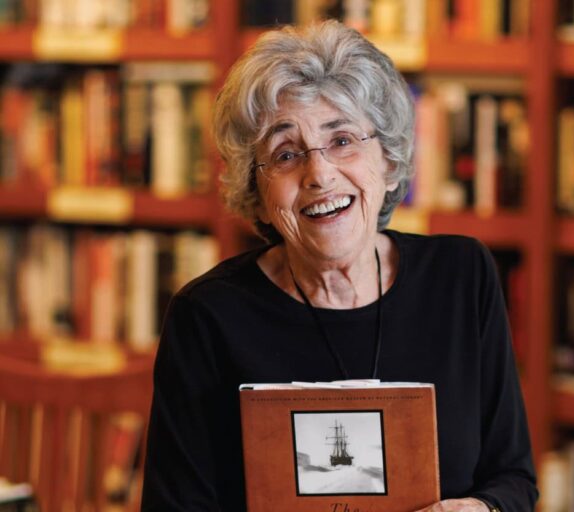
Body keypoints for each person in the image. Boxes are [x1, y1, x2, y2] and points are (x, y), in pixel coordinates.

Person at [141, 20, 537, 512]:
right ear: (258, 197)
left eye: (343, 139)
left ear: (389, 162)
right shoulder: (208, 317)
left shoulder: (461, 277)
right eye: (285, 154)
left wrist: (480, 509)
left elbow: (513, 477)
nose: (320, 174)